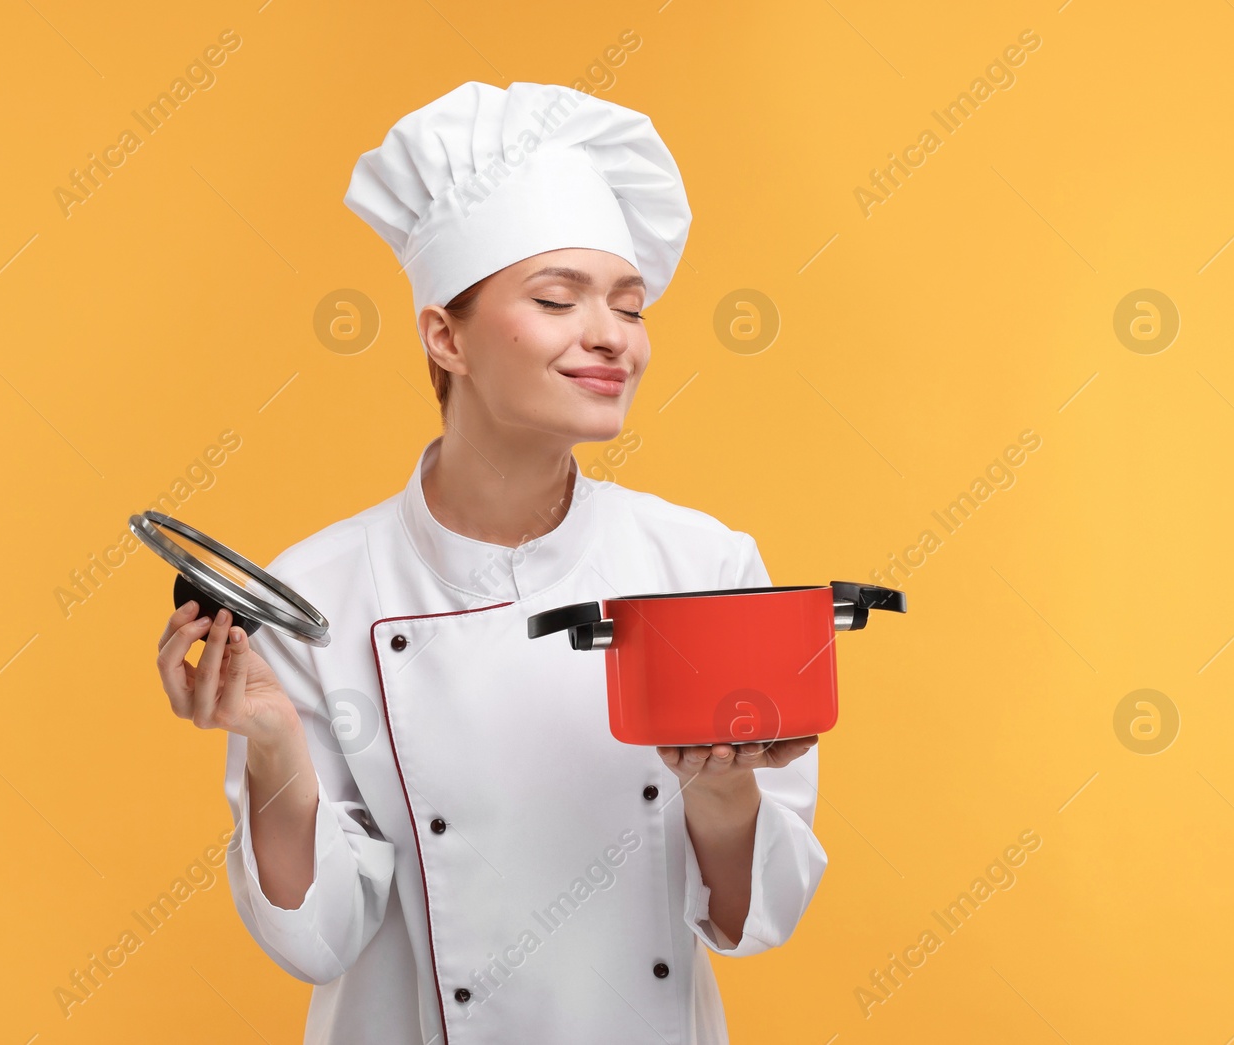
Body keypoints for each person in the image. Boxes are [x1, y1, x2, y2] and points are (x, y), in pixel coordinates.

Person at [155, 80, 827, 1044]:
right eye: (557, 299)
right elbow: (319, 938)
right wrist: (271, 743)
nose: (610, 337)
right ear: (444, 335)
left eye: (628, 308)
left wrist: (723, 788)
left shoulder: (700, 563)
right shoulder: (319, 593)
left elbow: (753, 920)